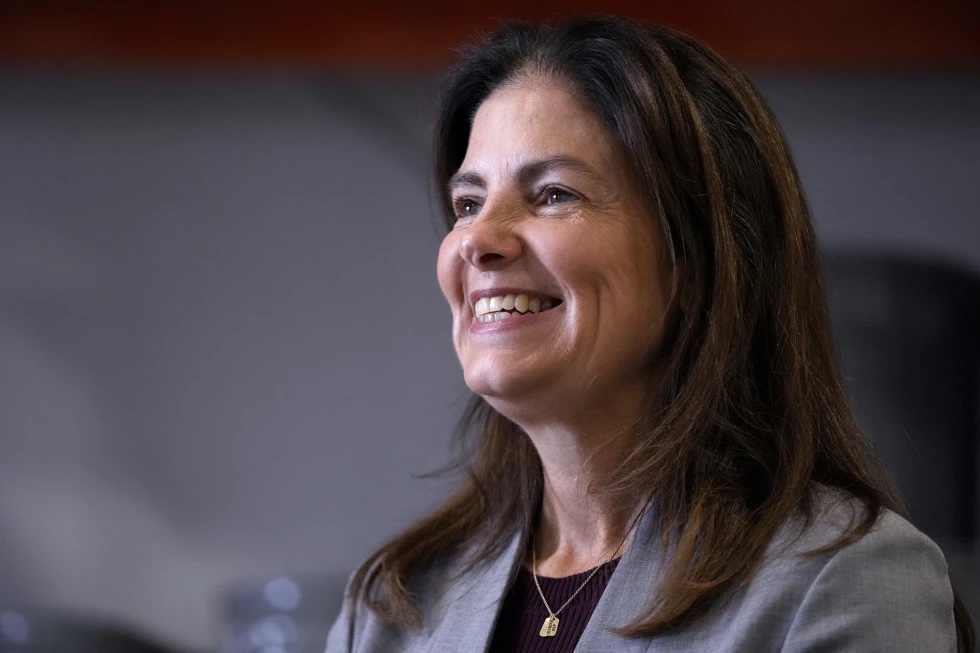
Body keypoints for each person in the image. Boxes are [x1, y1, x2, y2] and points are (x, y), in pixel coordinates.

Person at [326, 15, 974, 653]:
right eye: (468, 203)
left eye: (552, 193)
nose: (476, 241)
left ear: (698, 258)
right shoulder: (392, 606)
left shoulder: (844, 582)